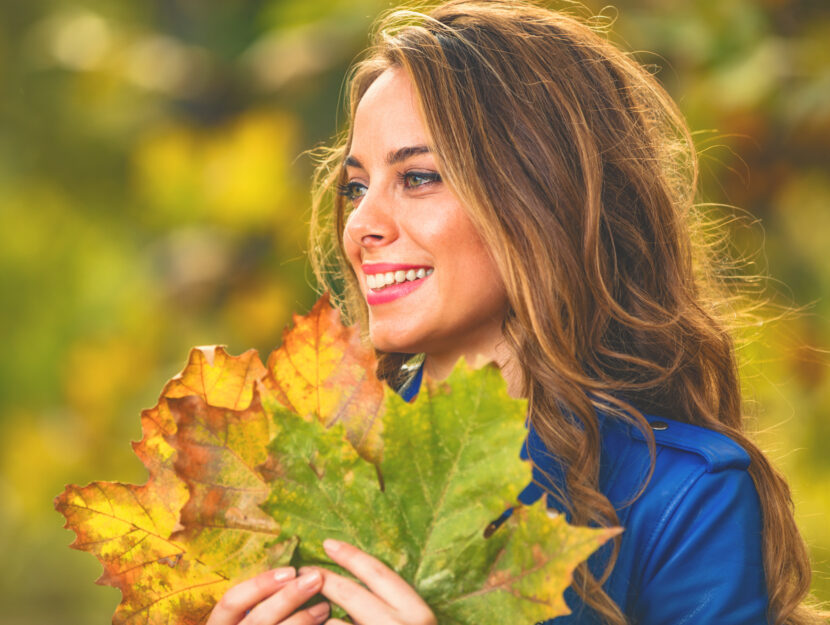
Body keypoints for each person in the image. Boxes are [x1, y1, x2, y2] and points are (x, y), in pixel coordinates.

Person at [206, 2, 827, 624]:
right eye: (356, 186)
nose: (362, 225)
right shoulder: (299, 465)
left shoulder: (682, 498)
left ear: (543, 198)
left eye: (418, 177)